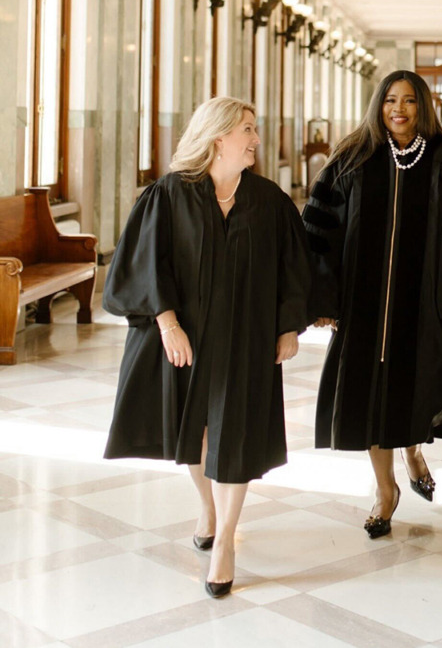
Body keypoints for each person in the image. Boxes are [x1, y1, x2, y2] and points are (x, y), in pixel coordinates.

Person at [103, 97, 311, 599]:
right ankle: (208, 506)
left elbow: (293, 268)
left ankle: (225, 547)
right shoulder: (170, 194)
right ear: (219, 138)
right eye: (248, 129)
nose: (256, 139)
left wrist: (288, 327)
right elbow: (146, 263)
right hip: (187, 339)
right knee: (193, 431)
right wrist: (168, 323)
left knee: (235, 433)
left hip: (248, 337)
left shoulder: (269, 201)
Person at [303, 70, 442, 538]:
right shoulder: (352, 158)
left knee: (416, 391)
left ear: (423, 107)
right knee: (372, 398)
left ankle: (413, 451)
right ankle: (385, 490)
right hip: (363, 306)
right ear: (378, 105)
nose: (399, 109)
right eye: (391, 100)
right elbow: (320, 231)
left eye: (410, 101)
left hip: (426, 305)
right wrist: (323, 297)